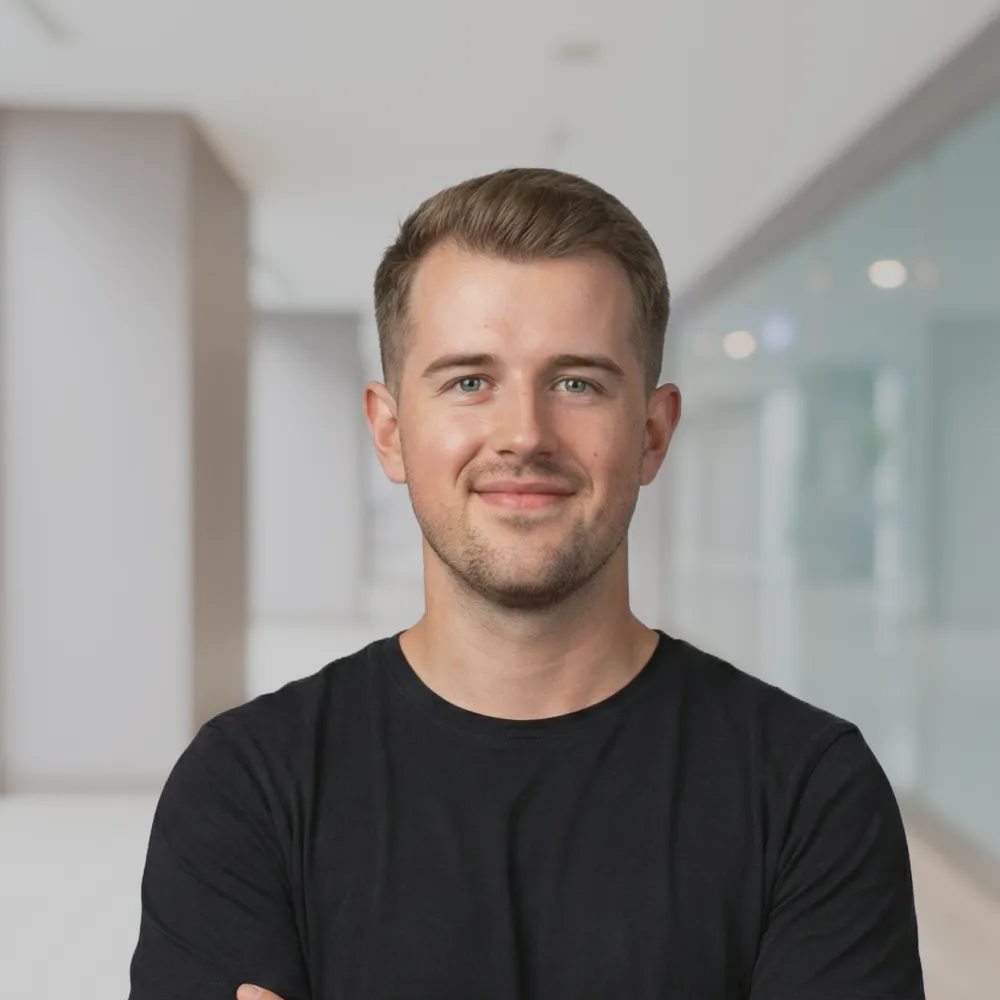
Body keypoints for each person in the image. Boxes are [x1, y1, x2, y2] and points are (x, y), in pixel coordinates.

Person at [128, 167, 925, 999]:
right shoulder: (248, 787)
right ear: (391, 431)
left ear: (652, 434)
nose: (523, 435)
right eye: (469, 381)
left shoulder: (808, 791)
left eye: (576, 382)